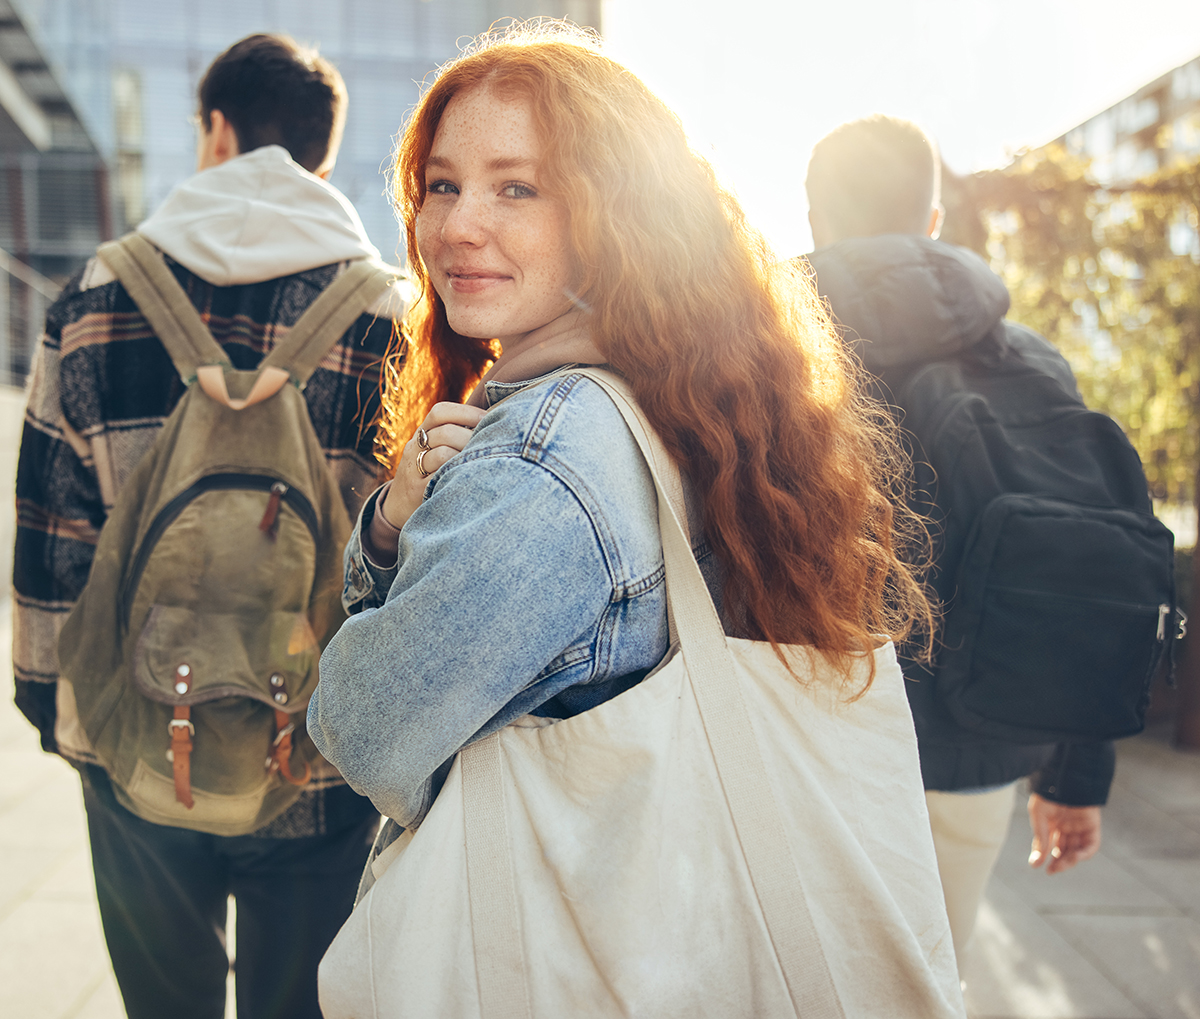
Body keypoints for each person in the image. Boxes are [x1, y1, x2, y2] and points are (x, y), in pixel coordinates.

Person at [308, 17, 936, 928]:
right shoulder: (680, 393)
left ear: (618, 211)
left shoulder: (545, 455)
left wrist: (383, 541)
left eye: (516, 187)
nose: (457, 225)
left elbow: (362, 729)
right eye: (441, 185)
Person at [13, 34, 397, 1019]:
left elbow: (50, 527)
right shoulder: (386, 312)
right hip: (310, 750)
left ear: (217, 131)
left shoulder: (98, 292)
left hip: (139, 735)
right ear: (319, 151)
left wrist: (55, 702)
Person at [805, 115, 1111, 973]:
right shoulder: (1032, 362)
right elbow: (1083, 563)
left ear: (816, 221)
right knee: (933, 979)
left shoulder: (761, 356)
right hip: (978, 744)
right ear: (932, 222)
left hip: (802, 741)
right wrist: (1073, 771)